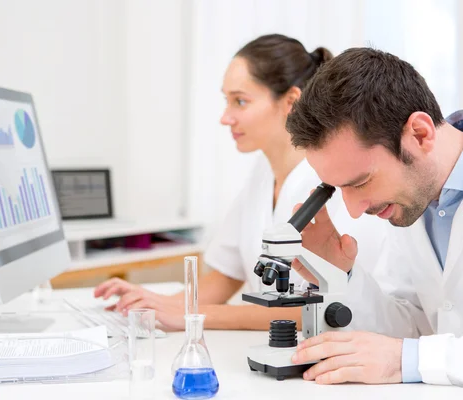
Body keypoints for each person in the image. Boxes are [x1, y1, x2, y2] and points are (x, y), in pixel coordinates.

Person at [283, 47, 463, 399]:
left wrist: (407, 359)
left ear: (420, 134)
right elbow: (413, 327)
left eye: (361, 182)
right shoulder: (413, 199)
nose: (353, 210)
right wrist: (340, 273)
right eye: (340, 190)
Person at [93, 35, 386, 331]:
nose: (225, 117)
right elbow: (226, 275)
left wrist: (189, 318)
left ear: (291, 102)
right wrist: (153, 304)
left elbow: (326, 308)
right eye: (227, 101)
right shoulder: (262, 172)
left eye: (240, 101)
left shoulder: (334, 180)